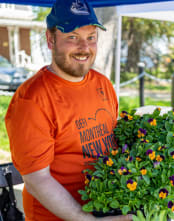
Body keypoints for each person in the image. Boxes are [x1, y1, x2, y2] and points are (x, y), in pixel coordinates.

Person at [5, 0, 132, 220]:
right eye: (72, 37)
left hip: (107, 208)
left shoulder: (103, 84)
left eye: (91, 37)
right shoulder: (32, 100)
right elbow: (37, 181)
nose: (84, 48)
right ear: (50, 40)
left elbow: (113, 144)